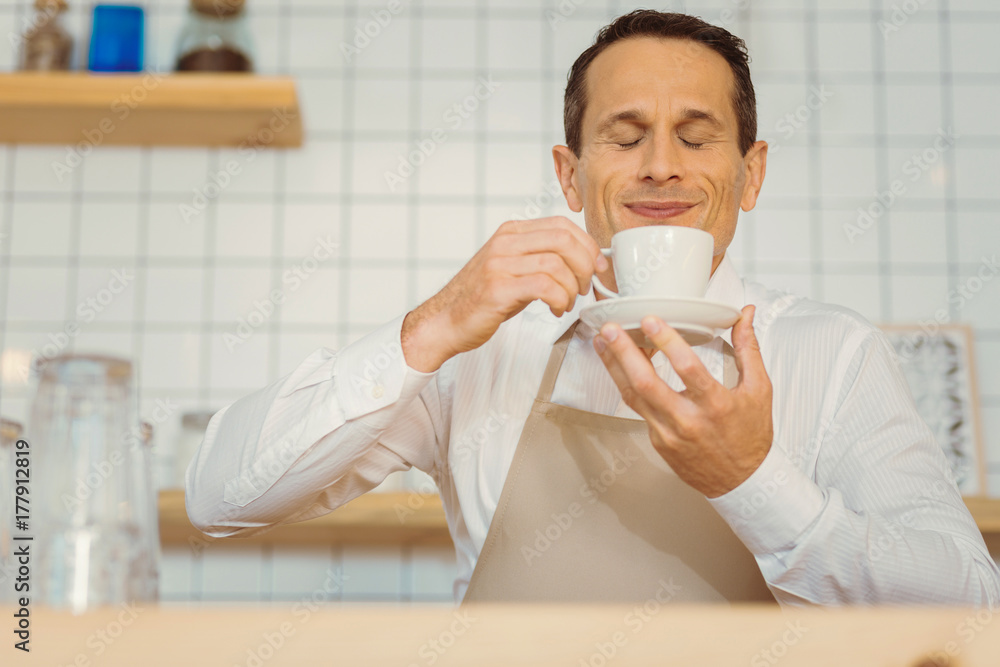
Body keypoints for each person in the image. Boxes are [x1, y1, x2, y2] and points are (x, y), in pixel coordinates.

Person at [185, 10, 1000, 607]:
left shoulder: (834, 353)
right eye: (625, 134)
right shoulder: (486, 347)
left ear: (750, 173)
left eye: (696, 135)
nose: (660, 165)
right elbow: (219, 499)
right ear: (570, 175)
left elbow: (969, 604)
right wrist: (431, 325)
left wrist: (756, 483)